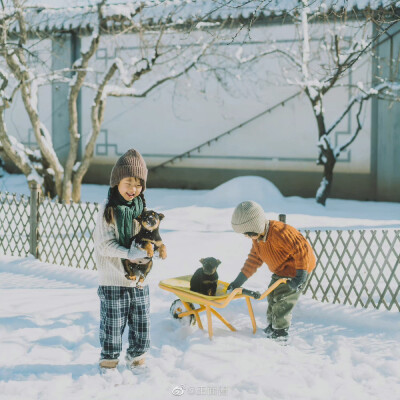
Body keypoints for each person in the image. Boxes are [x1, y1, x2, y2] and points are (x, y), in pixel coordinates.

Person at [93, 148, 162, 373]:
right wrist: (130, 253)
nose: (134, 189)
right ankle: (109, 363)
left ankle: (137, 360)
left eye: (138, 184)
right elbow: (104, 246)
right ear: (116, 183)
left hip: (139, 279)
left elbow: (148, 237)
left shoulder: (142, 211)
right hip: (113, 279)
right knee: (113, 326)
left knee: (142, 324)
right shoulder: (108, 210)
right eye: (128, 183)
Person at [228, 201, 316, 340]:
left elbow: (302, 249)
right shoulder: (258, 238)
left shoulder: (281, 233)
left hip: (296, 271)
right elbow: (254, 259)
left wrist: (300, 276)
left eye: (248, 234)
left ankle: (280, 332)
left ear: (255, 226)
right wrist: (239, 281)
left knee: (282, 300)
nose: (246, 237)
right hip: (281, 270)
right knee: (272, 297)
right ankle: (272, 325)